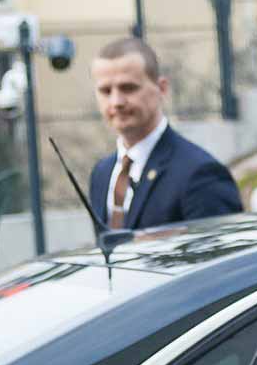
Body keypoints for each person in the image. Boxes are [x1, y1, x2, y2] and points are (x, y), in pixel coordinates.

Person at [87, 37, 242, 230]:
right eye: (105, 91)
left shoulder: (200, 174)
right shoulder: (101, 173)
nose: (116, 101)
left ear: (162, 88)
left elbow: (224, 258)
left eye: (128, 88)